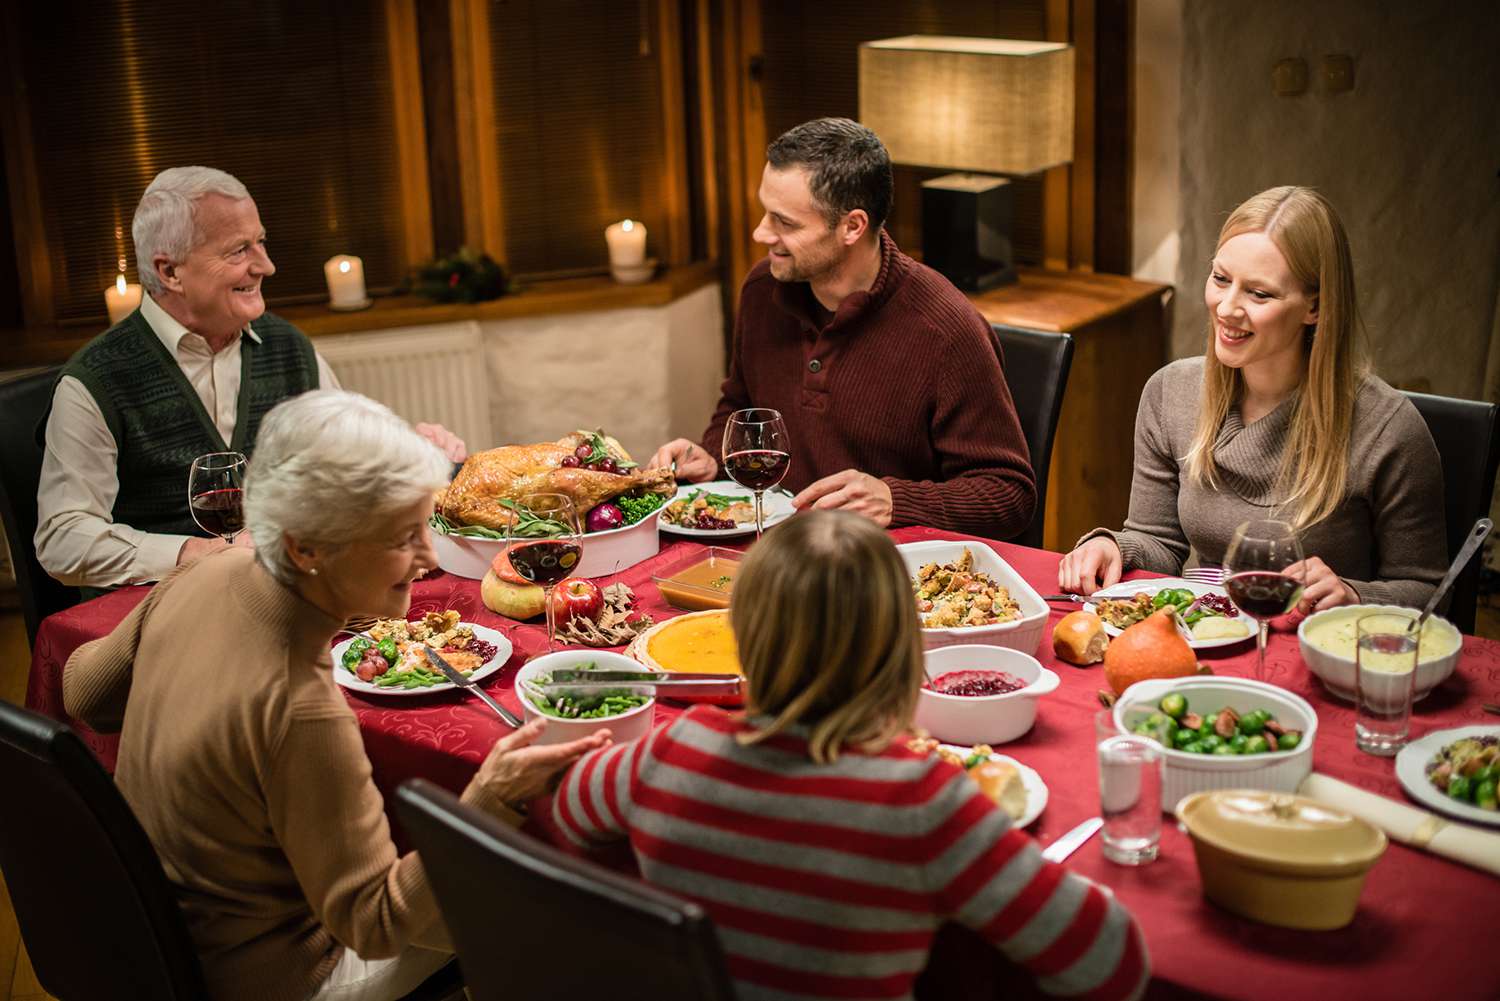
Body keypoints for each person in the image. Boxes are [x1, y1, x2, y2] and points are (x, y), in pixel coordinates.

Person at [63, 390, 606, 1001]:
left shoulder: (203, 572)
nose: (428, 555)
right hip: (275, 979)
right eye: (401, 538)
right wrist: (487, 797)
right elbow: (375, 923)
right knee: (554, 924)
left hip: (149, 947)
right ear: (304, 547)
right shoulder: (302, 708)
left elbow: (84, 692)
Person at [552, 511, 1148, 1001]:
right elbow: (1108, 962)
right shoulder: (921, 800)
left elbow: (569, 816)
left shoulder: (669, 749)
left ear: (743, 640)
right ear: (902, 652)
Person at [35, 165, 467, 590]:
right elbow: (63, 539)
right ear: (170, 272)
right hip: (159, 615)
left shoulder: (289, 347)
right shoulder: (94, 382)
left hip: (283, 598)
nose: (267, 266)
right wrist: (197, 555)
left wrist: (410, 460)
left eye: (260, 243)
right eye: (238, 250)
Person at [1058, 186, 1446, 611]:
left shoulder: (1389, 429)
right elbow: (1158, 542)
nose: (1226, 308)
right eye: (1221, 279)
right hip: (1204, 638)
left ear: (1314, 307)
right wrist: (1116, 547)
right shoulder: (1170, 392)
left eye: (1259, 294)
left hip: (1320, 655)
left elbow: (1430, 595)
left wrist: (1355, 595)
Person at [648, 118, 1035, 538]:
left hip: (882, 570)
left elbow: (1009, 495)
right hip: (775, 551)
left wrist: (895, 500)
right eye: (765, 213)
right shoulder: (763, 289)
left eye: (786, 223)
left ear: (853, 226)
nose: (762, 233)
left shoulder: (945, 330)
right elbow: (740, 406)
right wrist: (712, 458)